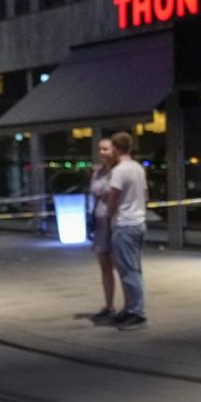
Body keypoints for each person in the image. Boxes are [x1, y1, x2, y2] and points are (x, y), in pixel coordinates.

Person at [102, 131, 149, 330]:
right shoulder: (138, 168)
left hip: (124, 224)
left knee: (128, 270)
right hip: (138, 222)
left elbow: (113, 197)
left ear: (115, 148)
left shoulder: (120, 170)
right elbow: (145, 195)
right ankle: (130, 308)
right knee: (133, 268)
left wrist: (108, 216)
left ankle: (137, 312)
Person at [88, 137, 119, 323]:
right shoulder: (98, 172)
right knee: (104, 265)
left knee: (119, 265)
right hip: (100, 222)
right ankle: (109, 305)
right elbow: (94, 193)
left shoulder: (119, 172)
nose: (102, 152)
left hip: (115, 222)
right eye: (100, 149)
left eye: (106, 149)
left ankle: (130, 307)